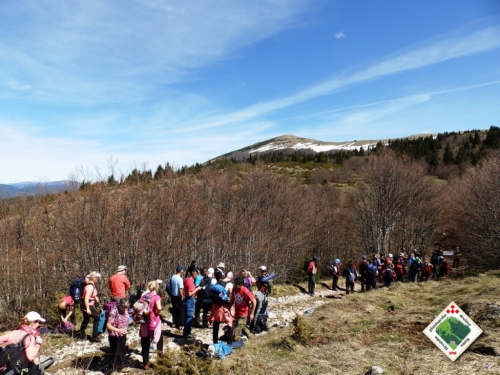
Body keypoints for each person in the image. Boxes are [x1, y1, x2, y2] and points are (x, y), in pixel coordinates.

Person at [138, 280, 163, 370]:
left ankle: (145, 362)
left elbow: (137, 306)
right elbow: (159, 307)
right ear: (156, 287)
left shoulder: (143, 296)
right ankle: (161, 358)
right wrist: (158, 312)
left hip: (144, 321)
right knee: (159, 337)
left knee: (145, 342)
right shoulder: (156, 297)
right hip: (154, 321)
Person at [208, 270, 233, 344]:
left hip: (216, 306)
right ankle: (230, 341)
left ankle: (215, 342)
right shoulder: (229, 284)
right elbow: (231, 295)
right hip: (225, 306)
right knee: (229, 323)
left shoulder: (215, 284)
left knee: (216, 324)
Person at [106, 299, 130, 372]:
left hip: (122, 333)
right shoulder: (113, 312)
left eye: (126, 307)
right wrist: (118, 330)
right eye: (123, 307)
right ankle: (112, 368)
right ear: (120, 305)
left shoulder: (125, 311)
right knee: (115, 352)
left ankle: (122, 365)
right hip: (114, 335)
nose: (125, 309)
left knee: (122, 349)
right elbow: (108, 325)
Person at [230, 277, 256, 342]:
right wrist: (229, 308)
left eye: (236, 284)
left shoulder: (245, 291)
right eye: (234, 284)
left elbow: (254, 301)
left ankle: (236, 341)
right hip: (237, 312)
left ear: (241, 284)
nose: (235, 286)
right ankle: (252, 337)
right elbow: (232, 299)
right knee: (242, 326)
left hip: (244, 313)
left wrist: (252, 313)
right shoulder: (234, 289)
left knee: (238, 327)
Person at [79, 271, 102, 341]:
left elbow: (90, 295)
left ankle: (82, 335)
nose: (97, 279)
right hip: (87, 305)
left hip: (86, 305)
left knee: (86, 319)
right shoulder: (90, 287)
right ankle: (95, 336)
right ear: (93, 278)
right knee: (98, 317)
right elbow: (86, 298)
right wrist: (88, 309)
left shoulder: (92, 285)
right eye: (96, 277)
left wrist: (95, 297)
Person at [183, 269, 202, 341]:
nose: (197, 276)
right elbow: (190, 293)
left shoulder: (186, 279)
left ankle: (186, 333)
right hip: (190, 300)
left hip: (187, 300)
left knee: (187, 317)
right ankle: (186, 335)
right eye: (196, 275)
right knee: (189, 318)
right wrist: (197, 289)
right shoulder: (190, 282)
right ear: (193, 274)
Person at [170, 265, 185, 330]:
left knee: (175, 309)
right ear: (180, 270)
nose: (183, 271)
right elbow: (180, 290)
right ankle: (181, 324)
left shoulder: (173, 277)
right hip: (178, 296)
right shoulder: (180, 279)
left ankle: (174, 323)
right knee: (181, 310)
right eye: (183, 269)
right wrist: (182, 297)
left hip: (173, 295)